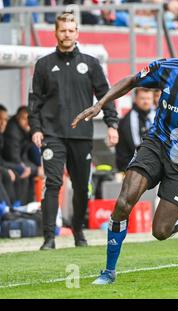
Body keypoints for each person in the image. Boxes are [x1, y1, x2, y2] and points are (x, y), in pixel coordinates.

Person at [71, 25, 178, 285]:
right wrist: (100, 103)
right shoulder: (166, 69)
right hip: (155, 144)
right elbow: (132, 81)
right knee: (124, 202)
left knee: (161, 231)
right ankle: (109, 271)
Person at [28, 13, 119, 250]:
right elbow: (34, 101)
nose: (67, 34)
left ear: (77, 33)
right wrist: (36, 129)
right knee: (53, 183)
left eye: (71, 30)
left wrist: (112, 124)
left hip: (81, 134)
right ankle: (49, 237)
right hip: (52, 134)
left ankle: (78, 231)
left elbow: (106, 96)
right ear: (56, 33)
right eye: (62, 30)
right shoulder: (44, 64)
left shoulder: (90, 63)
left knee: (80, 186)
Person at [115, 87, 157, 172]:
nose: (146, 102)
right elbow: (133, 146)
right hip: (132, 166)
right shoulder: (127, 120)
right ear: (136, 99)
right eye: (142, 98)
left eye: (148, 98)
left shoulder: (157, 116)